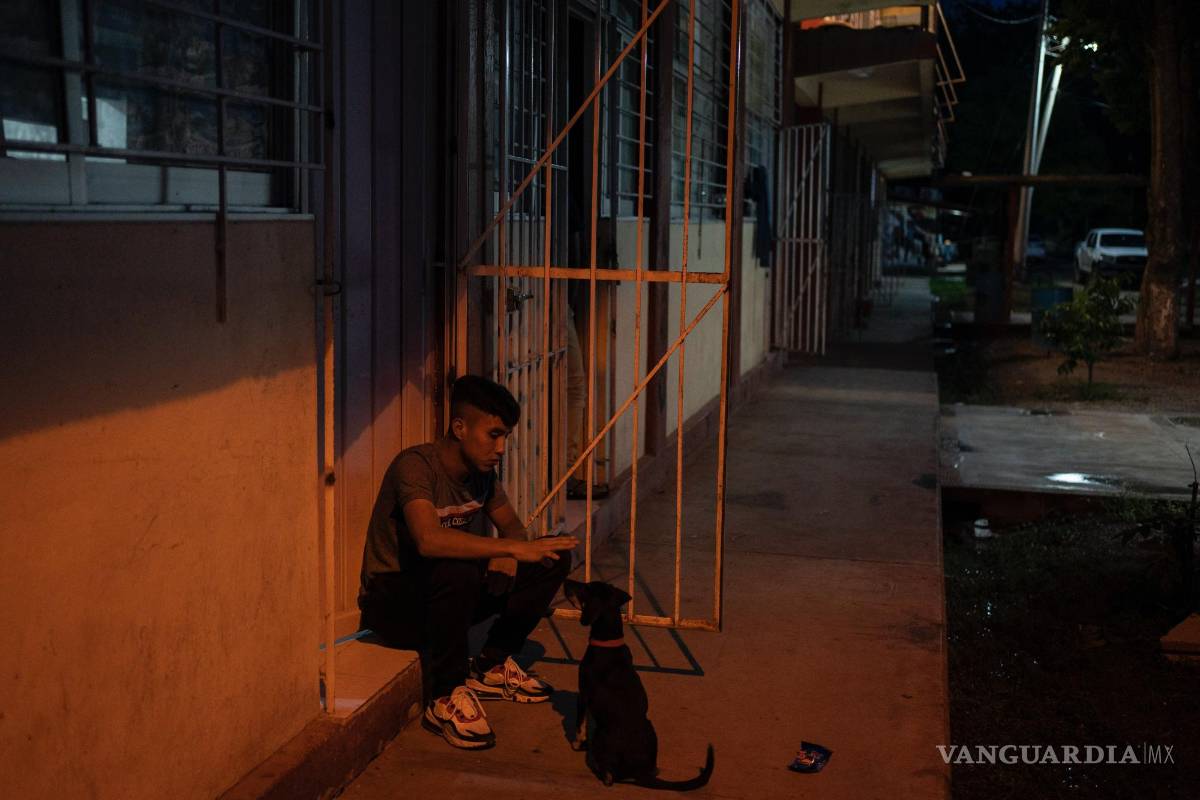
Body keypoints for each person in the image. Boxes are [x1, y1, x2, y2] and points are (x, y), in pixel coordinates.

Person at [357, 375, 580, 750]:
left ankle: (492, 665)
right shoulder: (415, 467)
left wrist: (512, 551)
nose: (501, 447)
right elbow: (429, 540)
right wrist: (505, 551)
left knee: (551, 557)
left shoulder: (482, 477)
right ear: (459, 428)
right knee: (457, 567)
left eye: (505, 436)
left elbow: (511, 526)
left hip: (444, 598)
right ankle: (445, 696)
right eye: (493, 435)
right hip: (393, 605)